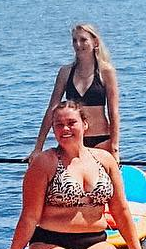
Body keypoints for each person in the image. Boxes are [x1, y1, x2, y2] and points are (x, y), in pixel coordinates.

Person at [0, 99, 146, 249]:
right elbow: (29, 217)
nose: (65, 129)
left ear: (85, 124)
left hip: (94, 241)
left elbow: (121, 210)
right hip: (51, 242)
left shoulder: (105, 160)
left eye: (71, 123)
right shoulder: (44, 162)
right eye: (59, 125)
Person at [32, 23, 120, 157]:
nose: (78, 44)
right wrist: (38, 147)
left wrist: (114, 147)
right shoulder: (65, 72)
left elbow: (113, 112)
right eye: (75, 40)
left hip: (101, 139)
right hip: (72, 140)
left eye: (83, 40)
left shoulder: (106, 71)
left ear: (95, 42)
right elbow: (52, 109)